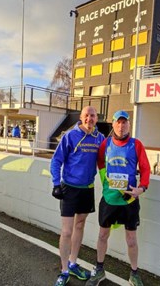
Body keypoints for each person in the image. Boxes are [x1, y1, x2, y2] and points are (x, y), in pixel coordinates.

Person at [85, 110, 151, 286]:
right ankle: (99, 270)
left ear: (129, 124)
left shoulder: (136, 145)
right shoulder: (105, 144)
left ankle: (134, 273)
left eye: (125, 122)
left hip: (129, 200)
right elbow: (99, 162)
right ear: (113, 124)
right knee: (102, 235)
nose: (121, 126)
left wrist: (141, 188)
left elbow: (145, 168)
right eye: (118, 122)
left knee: (131, 239)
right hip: (109, 199)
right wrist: (106, 181)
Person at [50, 106, 105, 286]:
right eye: (86, 115)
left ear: (97, 118)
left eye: (93, 115)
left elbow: (107, 159)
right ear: (81, 118)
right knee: (67, 231)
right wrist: (56, 183)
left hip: (87, 189)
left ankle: (73, 263)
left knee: (80, 225)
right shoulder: (70, 136)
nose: (90, 118)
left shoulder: (100, 138)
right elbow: (56, 160)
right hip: (69, 188)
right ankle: (64, 270)